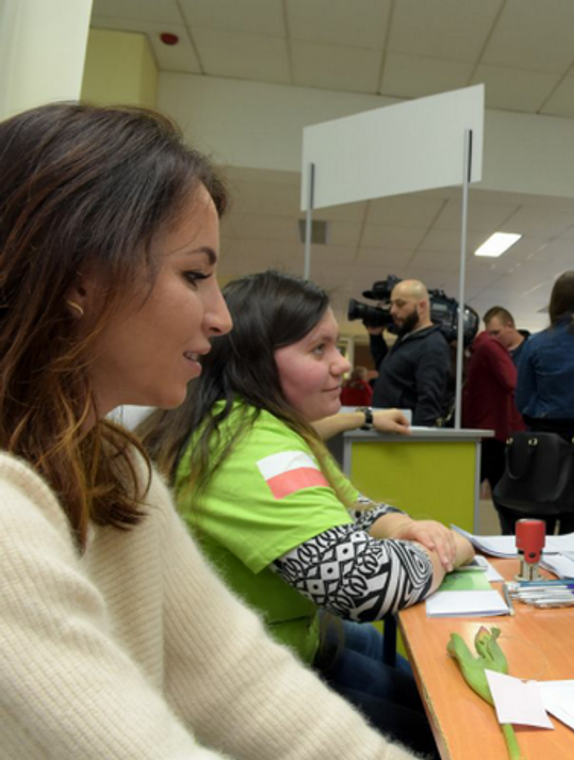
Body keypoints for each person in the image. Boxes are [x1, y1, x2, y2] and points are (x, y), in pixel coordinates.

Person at [0, 103, 420, 759]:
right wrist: (442, 545)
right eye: (194, 275)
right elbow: (357, 581)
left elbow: (236, 677)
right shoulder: (245, 442)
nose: (219, 315)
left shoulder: (117, 468)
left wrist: (393, 520)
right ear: (79, 278)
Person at [141, 270, 474, 757]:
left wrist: (404, 527)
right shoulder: (249, 449)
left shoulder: (268, 428)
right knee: (445, 734)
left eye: (336, 346)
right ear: (257, 361)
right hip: (240, 689)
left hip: (284, 647)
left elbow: (352, 506)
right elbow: (363, 584)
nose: (342, 365)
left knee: (435, 705)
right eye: (319, 350)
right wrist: (454, 547)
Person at [512, 271, 574, 535]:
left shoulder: (534, 344)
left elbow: (522, 401)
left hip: (544, 449)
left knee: (536, 535)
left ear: (555, 301)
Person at [462, 314, 525, 503]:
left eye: (496, 332)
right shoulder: (490, 347)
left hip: (482, 432)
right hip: (497, 433)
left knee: (465, 492)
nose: (494, 337)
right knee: (508, 501)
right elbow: (515, 384)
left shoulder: (479, 350)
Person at [373, 278, 451, 426]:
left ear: (422, 307)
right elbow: (386, 371)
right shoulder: (408, 337)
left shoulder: (432, 345)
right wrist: (375, 337)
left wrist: (413, 443)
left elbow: (428, 406)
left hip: (403, 439)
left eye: (400, 304)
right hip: (388, 434)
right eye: (392, 304)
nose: (392, 310)